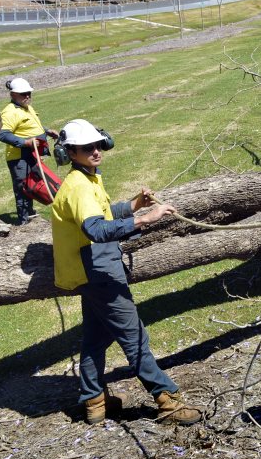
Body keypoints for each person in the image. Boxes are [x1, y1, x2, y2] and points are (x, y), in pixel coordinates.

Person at [50, 118, 203, 426]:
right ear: (70, 153)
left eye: (97, 144)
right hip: (98, 270)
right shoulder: (79, 187)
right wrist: (145, 219)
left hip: (89, 270)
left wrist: (133, 205)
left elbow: (102, 212)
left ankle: (94, 401)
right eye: (86, 148)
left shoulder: (87, 178)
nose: (95, 151)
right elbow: (96, 228)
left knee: (95, 337)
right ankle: (167, 401)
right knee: (134, 338)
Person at [0, 77, 59, 225]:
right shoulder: (10, 112)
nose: (27, 96)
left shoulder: (26, 107)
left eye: (29, 93)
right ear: (13, 95)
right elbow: (2, 134)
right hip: (19, 157)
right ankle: (24, 222)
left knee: (34, 184)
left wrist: (47, 131)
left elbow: (30, 125)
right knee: (23, 188)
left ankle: (30, 215)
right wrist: (26, 142)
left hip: (31, 154)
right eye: (23, 94)